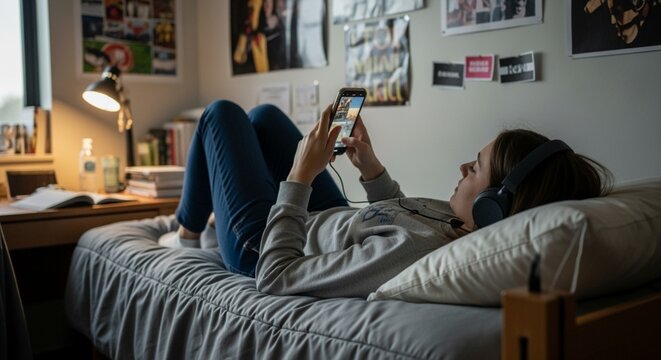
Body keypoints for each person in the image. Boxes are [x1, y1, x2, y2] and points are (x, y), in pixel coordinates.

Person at [161, 100, 611, 298]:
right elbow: (397, 214)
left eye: (474, 168)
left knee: (221, 114)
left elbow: (276, 277)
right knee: (264, 119)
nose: (461, 170)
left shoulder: (415, 251)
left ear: (496, 204)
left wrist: (300, 176)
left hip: (266, 243)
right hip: (324, 217)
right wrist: (372, 171)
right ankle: (197, 222)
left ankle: (187, 232)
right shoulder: (458, 221)